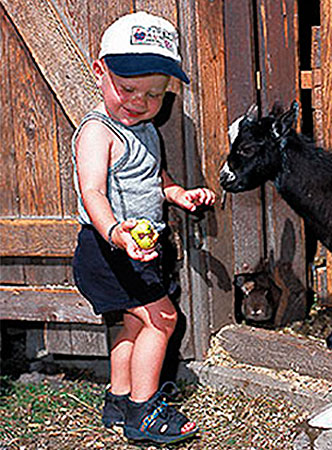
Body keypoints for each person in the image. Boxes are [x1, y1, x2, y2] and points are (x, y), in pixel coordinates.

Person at [71, 11, 215, 444]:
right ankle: (144, 412)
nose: (139, 101)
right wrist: (115, 233)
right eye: (128, 88)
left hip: (135, 248)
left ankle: (118, 402)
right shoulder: (97, 131)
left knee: (133, 325)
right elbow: (92, 191)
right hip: (108, 249)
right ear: (100, 72)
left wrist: (177, 195)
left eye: (154, 93)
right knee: (162, 319)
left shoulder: (147, 128)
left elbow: (155, 177)